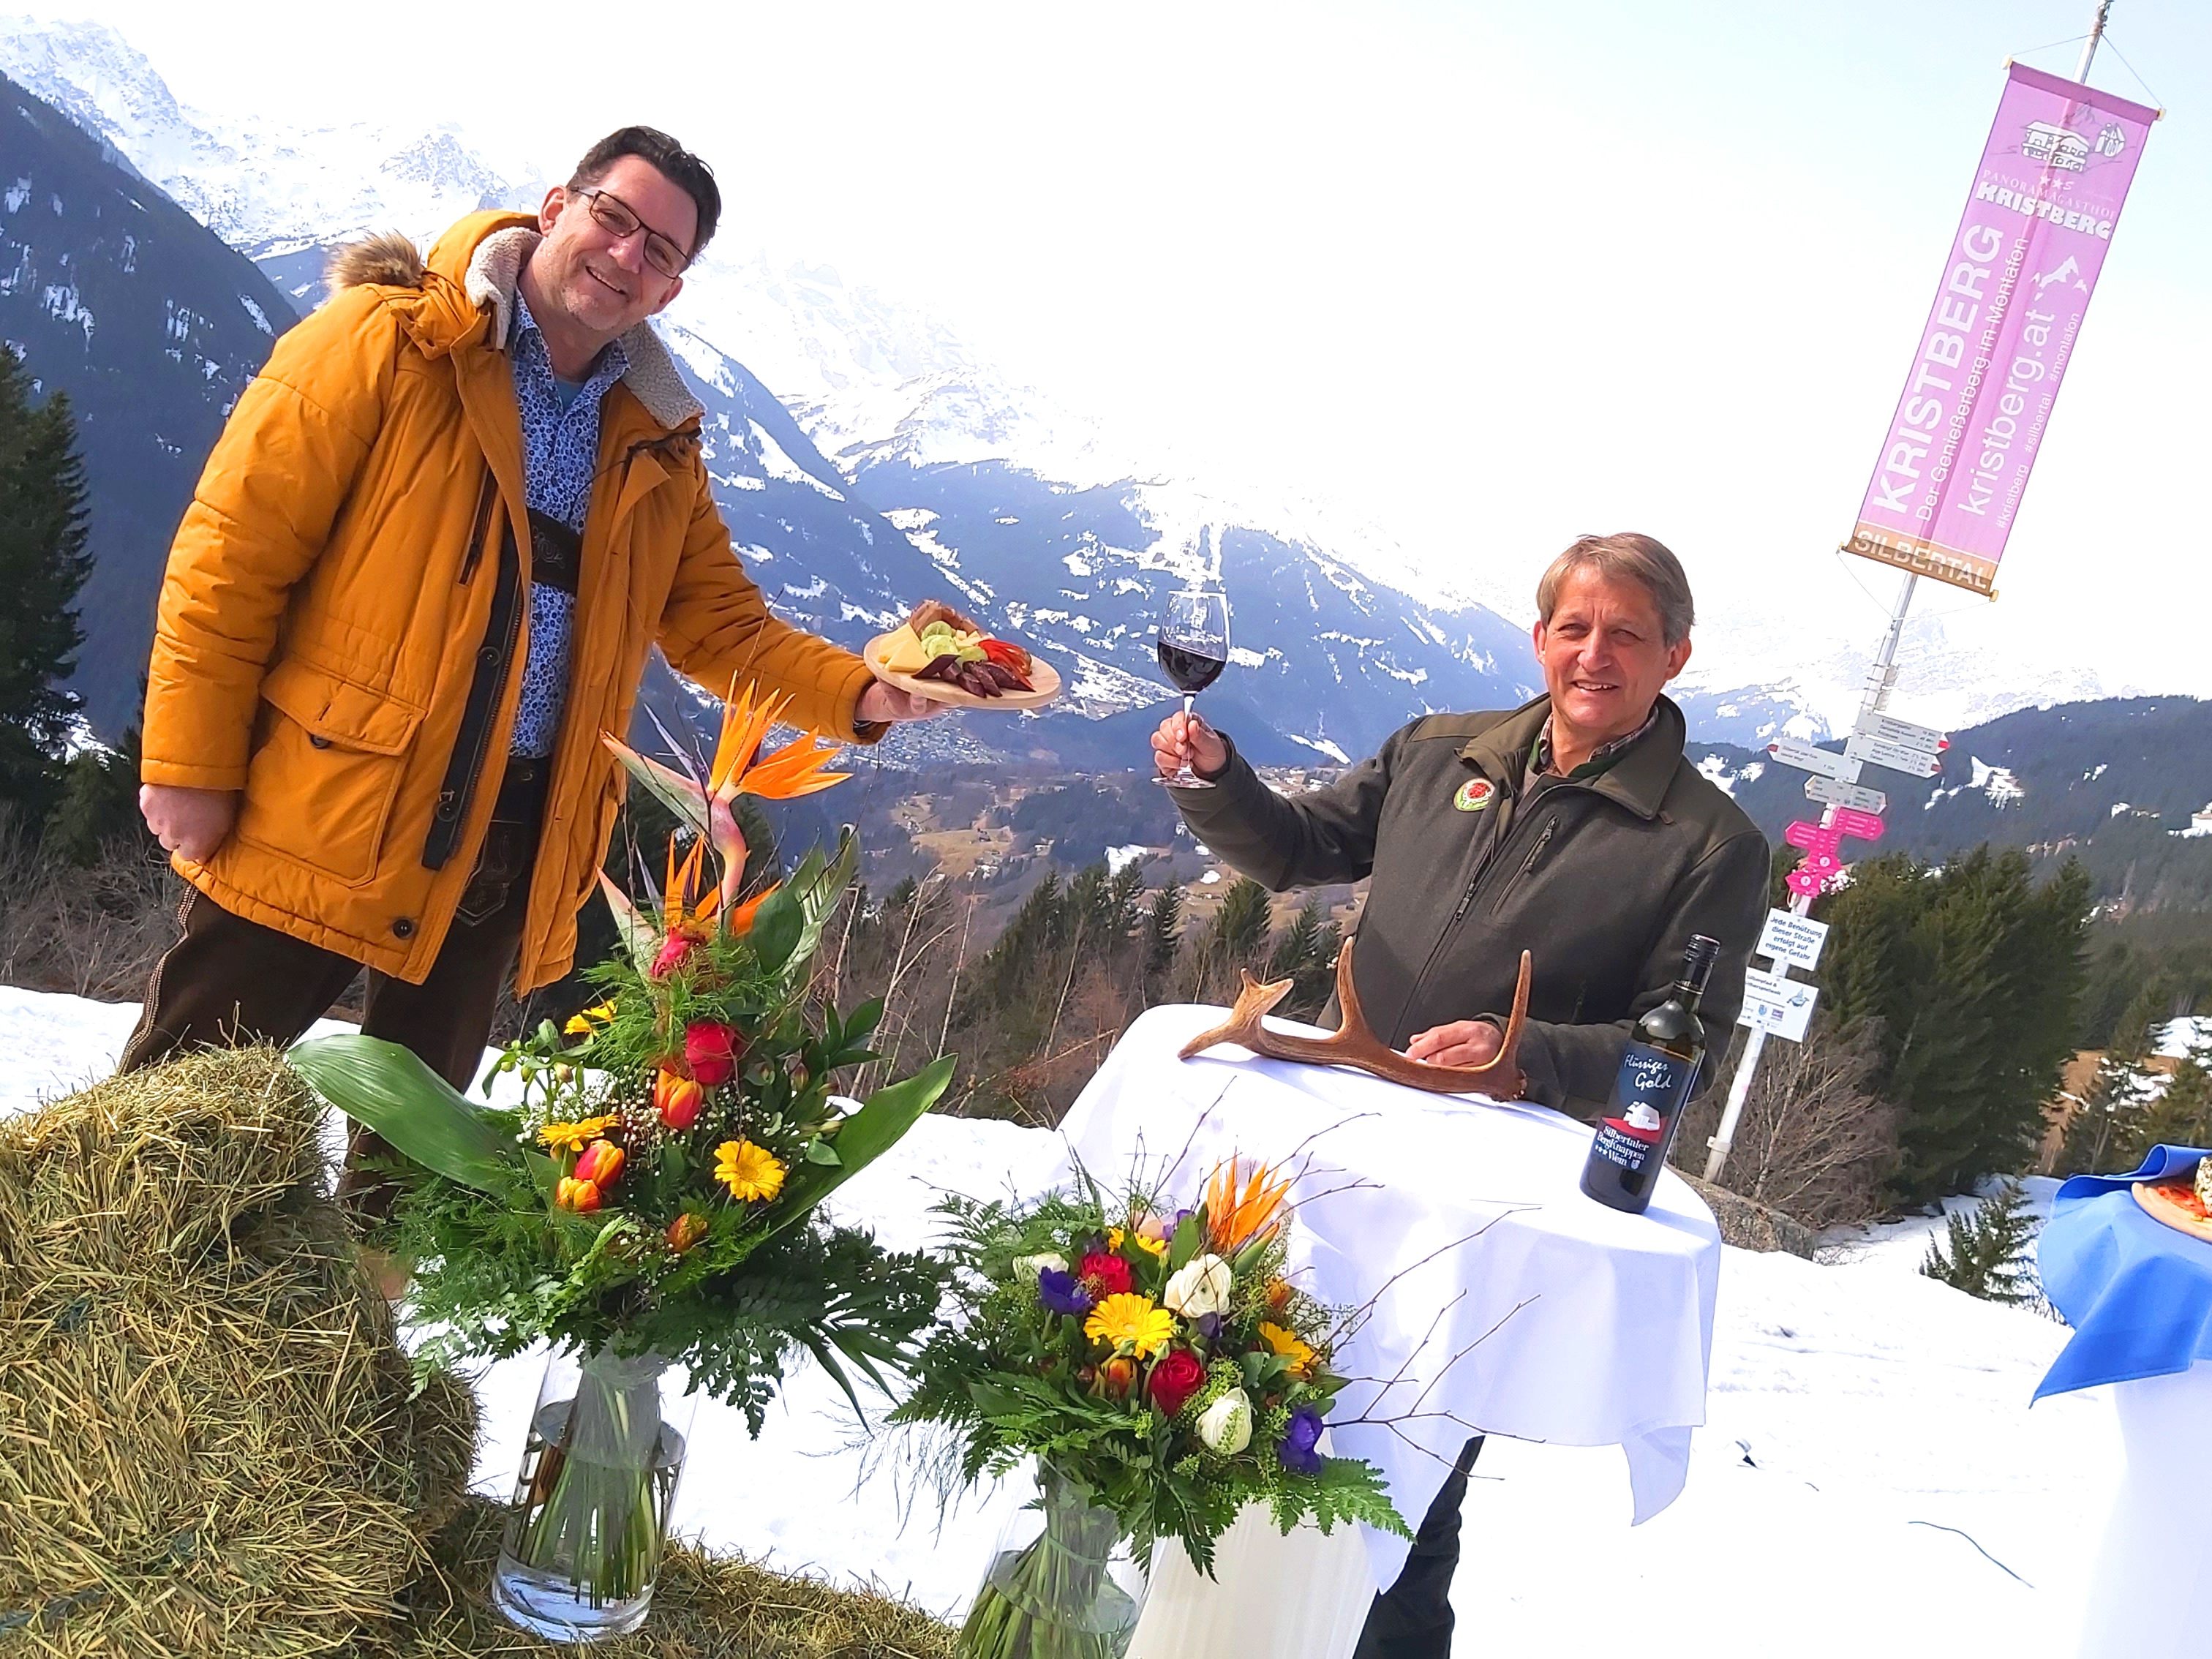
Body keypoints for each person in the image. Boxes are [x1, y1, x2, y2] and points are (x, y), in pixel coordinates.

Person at [122, 127, 933, 1205]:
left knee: (411, 1181)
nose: (627, 256)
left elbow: (723, 631)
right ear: (557, 205)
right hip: (323, 800)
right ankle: (63, 1340)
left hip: (512, 837)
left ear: (672, 291)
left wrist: (865, 693)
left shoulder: (655, 441)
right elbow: (232, 554)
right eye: (616, 218)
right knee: (170, 1126)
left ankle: (357, 1367)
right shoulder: (389, 338)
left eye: (661, 253)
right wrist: (189, 761)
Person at [1151, 530, 1768, 1658]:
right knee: (1218, 1392)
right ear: (1539, 639)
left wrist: (1523, 1047)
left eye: (1626, 633)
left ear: (1674, 655)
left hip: (1480, 1199)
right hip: (1328, 1143)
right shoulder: (1440, 752)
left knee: (1405, 1493)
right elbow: (1300, 847)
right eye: (1574, 628)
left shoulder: (1710, 845)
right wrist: (1215, 779)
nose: (1595, 654)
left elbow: (1684, 1045)